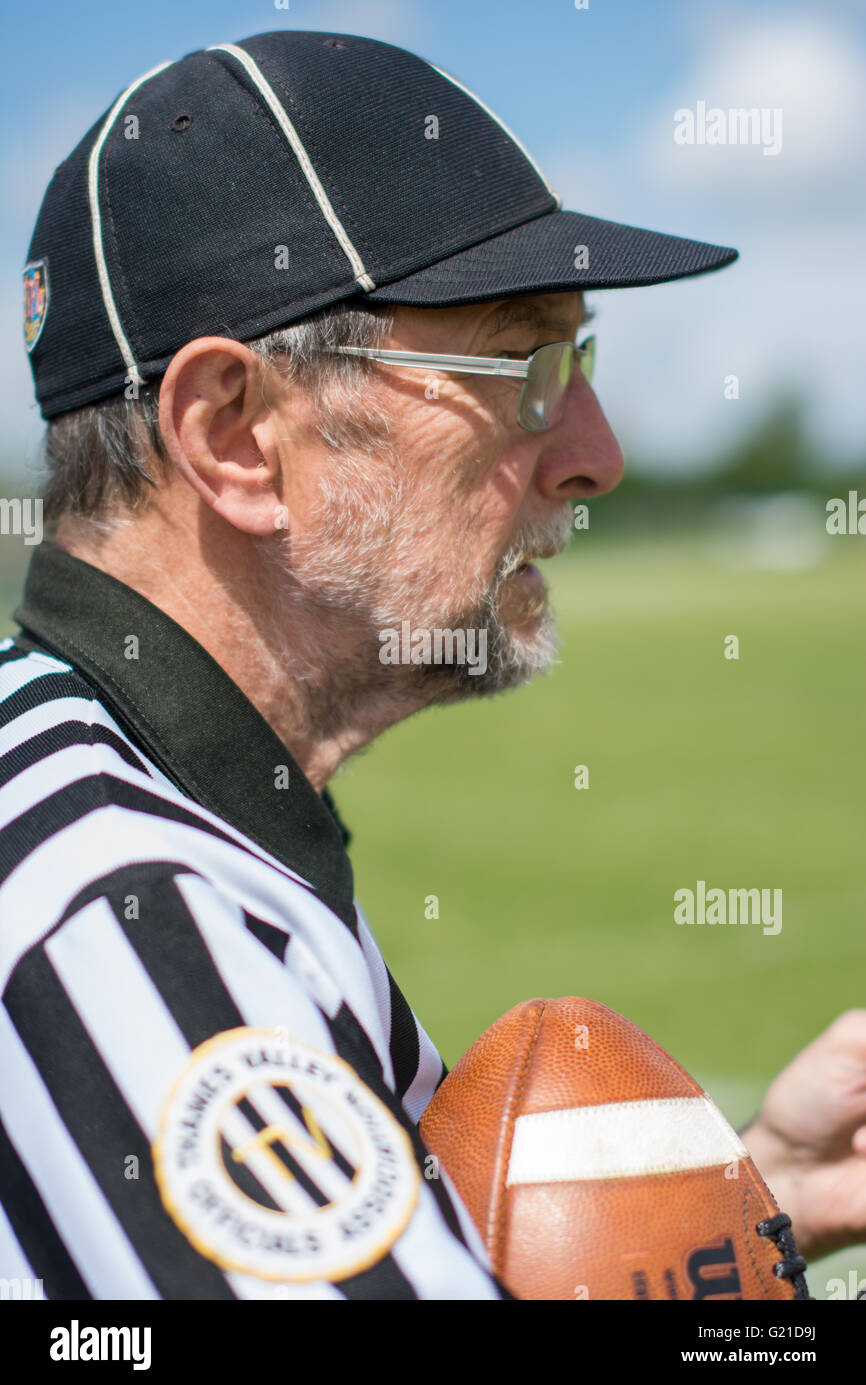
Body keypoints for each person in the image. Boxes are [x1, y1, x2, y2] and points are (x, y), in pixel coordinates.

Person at [2, 29, 864, 1301]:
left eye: (581, 360)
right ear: (236, 434)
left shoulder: (103, 778)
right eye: (522, 367)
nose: (596, 453)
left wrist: (725, 1204)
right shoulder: (127, 926)